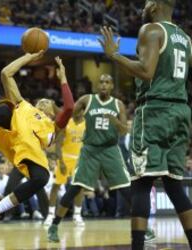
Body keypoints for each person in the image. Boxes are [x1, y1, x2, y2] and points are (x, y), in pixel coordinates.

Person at [98, 0, 192, 249]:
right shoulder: (186, 38)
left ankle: (138, 246)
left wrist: (114, 55)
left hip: (154, 112)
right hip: (180, 111)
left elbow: (147, 71)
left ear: (155, 5)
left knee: (141, 183)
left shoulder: (151, 30)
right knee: (174, 185)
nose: (143, 5)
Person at [0, 53, 74, 241]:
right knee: (7, 108)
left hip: (27, 151)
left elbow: (69, 107)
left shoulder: (53, 128)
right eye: (42, 101)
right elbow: (6, 73)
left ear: (53, 112)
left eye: (49, 103)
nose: (44, 102)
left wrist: (63, 78)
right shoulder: (26, 105)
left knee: (42, 178)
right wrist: (30, 56)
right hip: (8, 129)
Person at [47, 74, 133, 242]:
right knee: (74, 189)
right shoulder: (87, 100)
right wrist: (55, 109)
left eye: (107, 82)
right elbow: (71, 114)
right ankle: (54, 226)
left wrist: (114, 121)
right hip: (90, 150)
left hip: (110, 150)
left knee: (126, 190)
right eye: (100, 82)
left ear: (112, 86)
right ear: (97, 85)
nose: (103, 85)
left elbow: (123, 131)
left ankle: (144, 227)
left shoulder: (118, 105)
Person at [44, 118, 86, 227]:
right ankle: (51, 214)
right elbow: (58, 143)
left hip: (79, 159)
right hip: (65, 157)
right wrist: (61, 161)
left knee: (79, 187)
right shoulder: (67, 123)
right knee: (56, 185)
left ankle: (77, 215)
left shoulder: (87, 124)